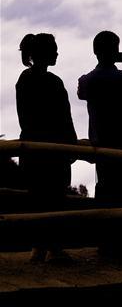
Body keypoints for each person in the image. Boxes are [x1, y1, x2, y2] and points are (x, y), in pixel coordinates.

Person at [77, 30, 122, 259]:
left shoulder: (88, 80)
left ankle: (104, 244)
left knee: (104, 192)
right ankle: (119, 245)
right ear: (116, 50)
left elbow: (81, 92)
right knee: (121, 194)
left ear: (95, 51)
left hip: (101, 144)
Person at [16, 33, 78, 264]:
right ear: (44, 53)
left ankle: (39, 247)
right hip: (53, 150)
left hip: (33, 150)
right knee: (55, 198)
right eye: (54, 49)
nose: (57, 53)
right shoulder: (53, 82)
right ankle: (52, 248)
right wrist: (70, 144)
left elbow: (26, 119)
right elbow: (65, 117)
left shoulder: (24, 80)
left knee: (38, 199)